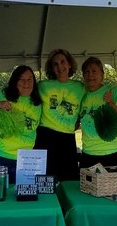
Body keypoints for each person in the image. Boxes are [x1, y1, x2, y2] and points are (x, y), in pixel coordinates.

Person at [0, 65, 42, 183]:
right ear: (15, 81)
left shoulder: (38, 102)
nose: (26, 83)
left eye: (30, 79)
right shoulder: (2, 95)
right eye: (21, 79)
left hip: (24, 161)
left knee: (21, 198)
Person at [34, 49, 86, 182]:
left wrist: (116, 97)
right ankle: (47, 204)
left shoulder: (80, 87)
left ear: (69, 64)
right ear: (51, 68)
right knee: (44, 180)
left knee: (69, 180)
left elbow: (91, 101)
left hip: (67, 139)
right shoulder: (42, 86)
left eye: (63, 62)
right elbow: (22, 92)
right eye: (55, 64)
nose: (60, 66)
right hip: (45, 137)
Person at [78, 57, 117, 169]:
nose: (90, 75)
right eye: (86, 71)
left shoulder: (114, 91)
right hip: (89, 155)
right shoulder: (81, 95)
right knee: (88, 187)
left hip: (115, 153)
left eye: (94, 71)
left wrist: (111, 103)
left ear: (102, 74)